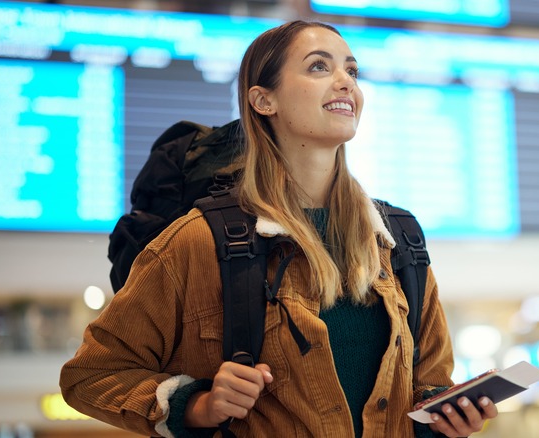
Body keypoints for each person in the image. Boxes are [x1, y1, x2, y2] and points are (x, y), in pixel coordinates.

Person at [60, 20, 498, 437]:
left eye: (351, 70)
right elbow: (91, 375)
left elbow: (430, 381)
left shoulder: (397, 240)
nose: (346, 82)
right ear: (263, 100)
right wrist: (198, 406)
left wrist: (447, 413)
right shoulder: (199, 241)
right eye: (319, 67)